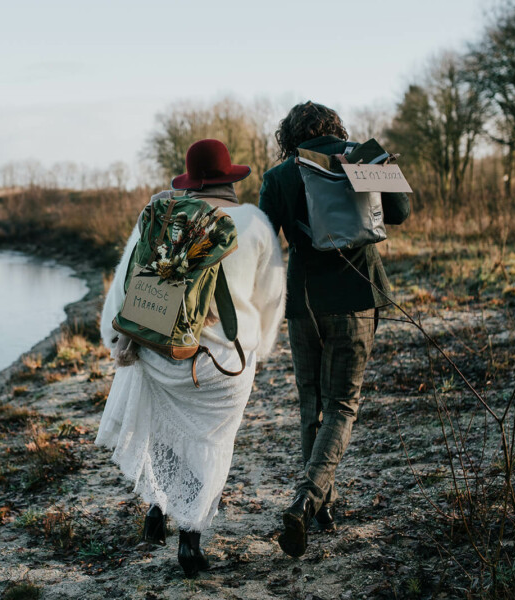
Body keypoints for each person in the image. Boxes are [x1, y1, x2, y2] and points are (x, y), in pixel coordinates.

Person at [96, 139, 285, 576]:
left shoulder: (162, 220)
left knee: (164, 432)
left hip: (161, 354)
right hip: (220, 365)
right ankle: (191, 539)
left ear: (189, 181)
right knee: (211, 442)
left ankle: (158, 511)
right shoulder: (254, 223)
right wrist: (262, 347)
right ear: (229, 179)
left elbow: (123, 292)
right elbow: (272, 299)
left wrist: (117, 342)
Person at [258, 101, 410, 557]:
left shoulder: (281, 174)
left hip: (304, 299)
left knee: (313, 402)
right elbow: (399, 211)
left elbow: (266, 241)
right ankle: (308, 499)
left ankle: (322, 504)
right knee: (342, 404)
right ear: (335, 126)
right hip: (357, 294)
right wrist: (372, 166)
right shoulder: (360, 157)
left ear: (290, 134)